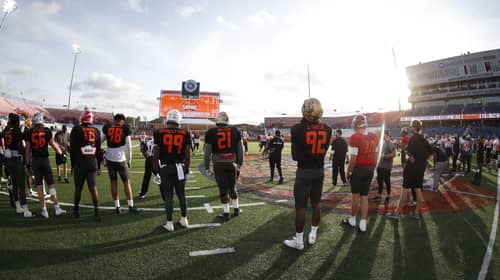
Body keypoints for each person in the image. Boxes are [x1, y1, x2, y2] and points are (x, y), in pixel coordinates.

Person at [283, 98, 332, 250]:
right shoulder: (328, 129)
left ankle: (299, 241)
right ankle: (313, 234)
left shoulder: (297, 129)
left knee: (301, 207)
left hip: (304, 171)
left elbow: (295, 156)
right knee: (316, 203)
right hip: (319, 170)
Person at [152, 109, 191, 232]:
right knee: (181, 195)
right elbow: (187, 155)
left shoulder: (159, 132)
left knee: (168, 196)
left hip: (166, 167)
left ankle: (169, 223)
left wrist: (155, 170)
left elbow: (156, 154)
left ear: (168, 119)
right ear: (179, 120)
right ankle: (184, 219)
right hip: (180, 167)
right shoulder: (185, 133)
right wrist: (187, 169)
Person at [387, 119, 432, 220]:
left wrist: (411, 159)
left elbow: (408, 152)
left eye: (411, 126)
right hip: (420, 168)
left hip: (411, 168)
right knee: (418, 190)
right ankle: (416, 212)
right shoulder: (424, 139)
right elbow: (431, 153)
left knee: (404, 190)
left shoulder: (413, 138)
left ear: (413, 127)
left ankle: (397, 212)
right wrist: (423, 161)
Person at [24, 112, 66, 218]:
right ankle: (56, 208)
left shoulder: (29, 132)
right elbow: (54, 145)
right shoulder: (47, 131)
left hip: (35, 161)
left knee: (39, 185)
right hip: (45, 160)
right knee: (51, 184)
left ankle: (44, 210)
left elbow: (28, 150)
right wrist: (61, 153)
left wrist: (28, 163)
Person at [204, 111, 244, 221]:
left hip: (219, 164)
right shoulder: (235, 130)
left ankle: (226, 213)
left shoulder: (211, 132)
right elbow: (241, 150)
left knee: (223, 190)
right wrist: (240, 163)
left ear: (217, 120)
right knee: (232, 187)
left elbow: (207, 152)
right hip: (232, 163)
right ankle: (236, 209)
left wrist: (207, 167)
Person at [342, 114, 378, 233]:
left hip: (359, 170)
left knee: (355, 197)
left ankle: (352, 220)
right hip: (370, 169)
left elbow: (353, 157)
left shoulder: (356, 137)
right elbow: (376, 155)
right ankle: (363, 223)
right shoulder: (373, 136)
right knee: (364, 197)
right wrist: (373, 166)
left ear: (356, 125)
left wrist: (348, 171)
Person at [102, 113, 141, 213]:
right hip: (121, 160)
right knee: (126, 183)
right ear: (122, 121)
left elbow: (99, 142)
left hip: (110, 159)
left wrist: (102, 155)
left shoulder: (108, 128)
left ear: (114, 120)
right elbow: (129, 147)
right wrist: (129, 160)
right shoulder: (125, 129)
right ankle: (131, 206)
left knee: (113, 183)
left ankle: (117, 207)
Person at [70, 110, 103, 221]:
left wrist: (72, 164)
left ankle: (76, 211)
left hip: (80, 162)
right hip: (92, 163)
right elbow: (98, 150)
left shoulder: (77, 129)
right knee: (93, 188)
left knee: (78, 188)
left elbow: (73, 149)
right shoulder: (96, 131)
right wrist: (99, 165)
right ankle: (97, 212)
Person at [3, 113, 34, 218]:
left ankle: (17, 207)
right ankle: (25, 210)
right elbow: (20, 146)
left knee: (14, 186)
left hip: (8, 160)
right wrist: (24, 153)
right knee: (21, 185)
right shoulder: (16, 131)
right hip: (16, 160)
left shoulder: (6, 130)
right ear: (17, 122)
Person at [372, 130, 395, 202]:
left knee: (387, 181)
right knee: (380, 181)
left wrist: (385, 156)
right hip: (380, 166)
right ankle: (379, 195)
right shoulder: (382, 143)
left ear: (387, 135)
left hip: (386, 167)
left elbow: (394, 154)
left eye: (383, 134)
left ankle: (388, 195)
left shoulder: (390, 143)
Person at [138, 134, 154, 199]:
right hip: (157, 161)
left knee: (146, 177)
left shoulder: (149, 142)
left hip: (149, 159)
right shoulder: (160, 142)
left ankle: (143, 193)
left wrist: (147, 158)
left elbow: (142, 150)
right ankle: (165, 194)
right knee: (161, 177)